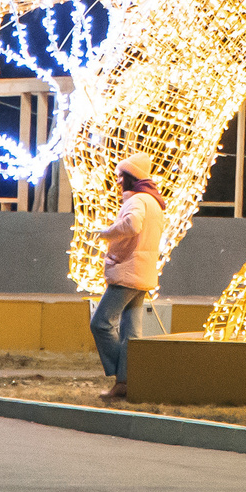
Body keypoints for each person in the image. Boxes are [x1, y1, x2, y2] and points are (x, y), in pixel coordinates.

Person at [88, 154, 164, 401]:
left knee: (100, 323)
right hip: (142, 272)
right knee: (131, 332)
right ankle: (125, 385)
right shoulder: (153, 201)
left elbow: (132, 226)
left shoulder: (138, 201)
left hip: (127, 272)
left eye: (122, 175)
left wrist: (106, 233)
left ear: (132, 177)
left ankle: (125, 374)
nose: (118, 180)